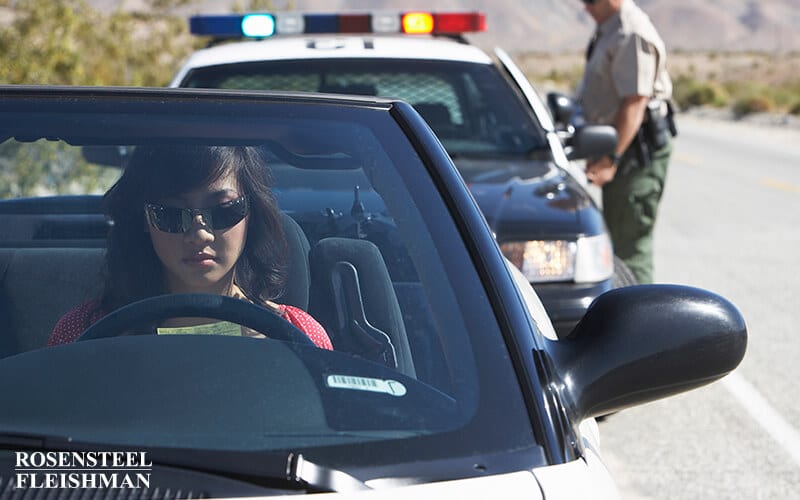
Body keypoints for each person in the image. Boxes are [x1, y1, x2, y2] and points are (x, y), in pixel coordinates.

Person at [48, 145, 333, 349]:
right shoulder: (83, 334)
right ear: (143, 220)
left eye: (223, 211)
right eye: (171, 215)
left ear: (252, 214)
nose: (200, 235)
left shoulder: (301, 335)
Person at [576, 0, 676, 284]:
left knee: (630, 250)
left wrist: (611, 159)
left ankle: (641, 324)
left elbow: (634, 105)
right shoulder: (609, 30)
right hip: (620, 150)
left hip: (634, 154)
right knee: (618, 244)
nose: (586, 7)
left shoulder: (631, 32)